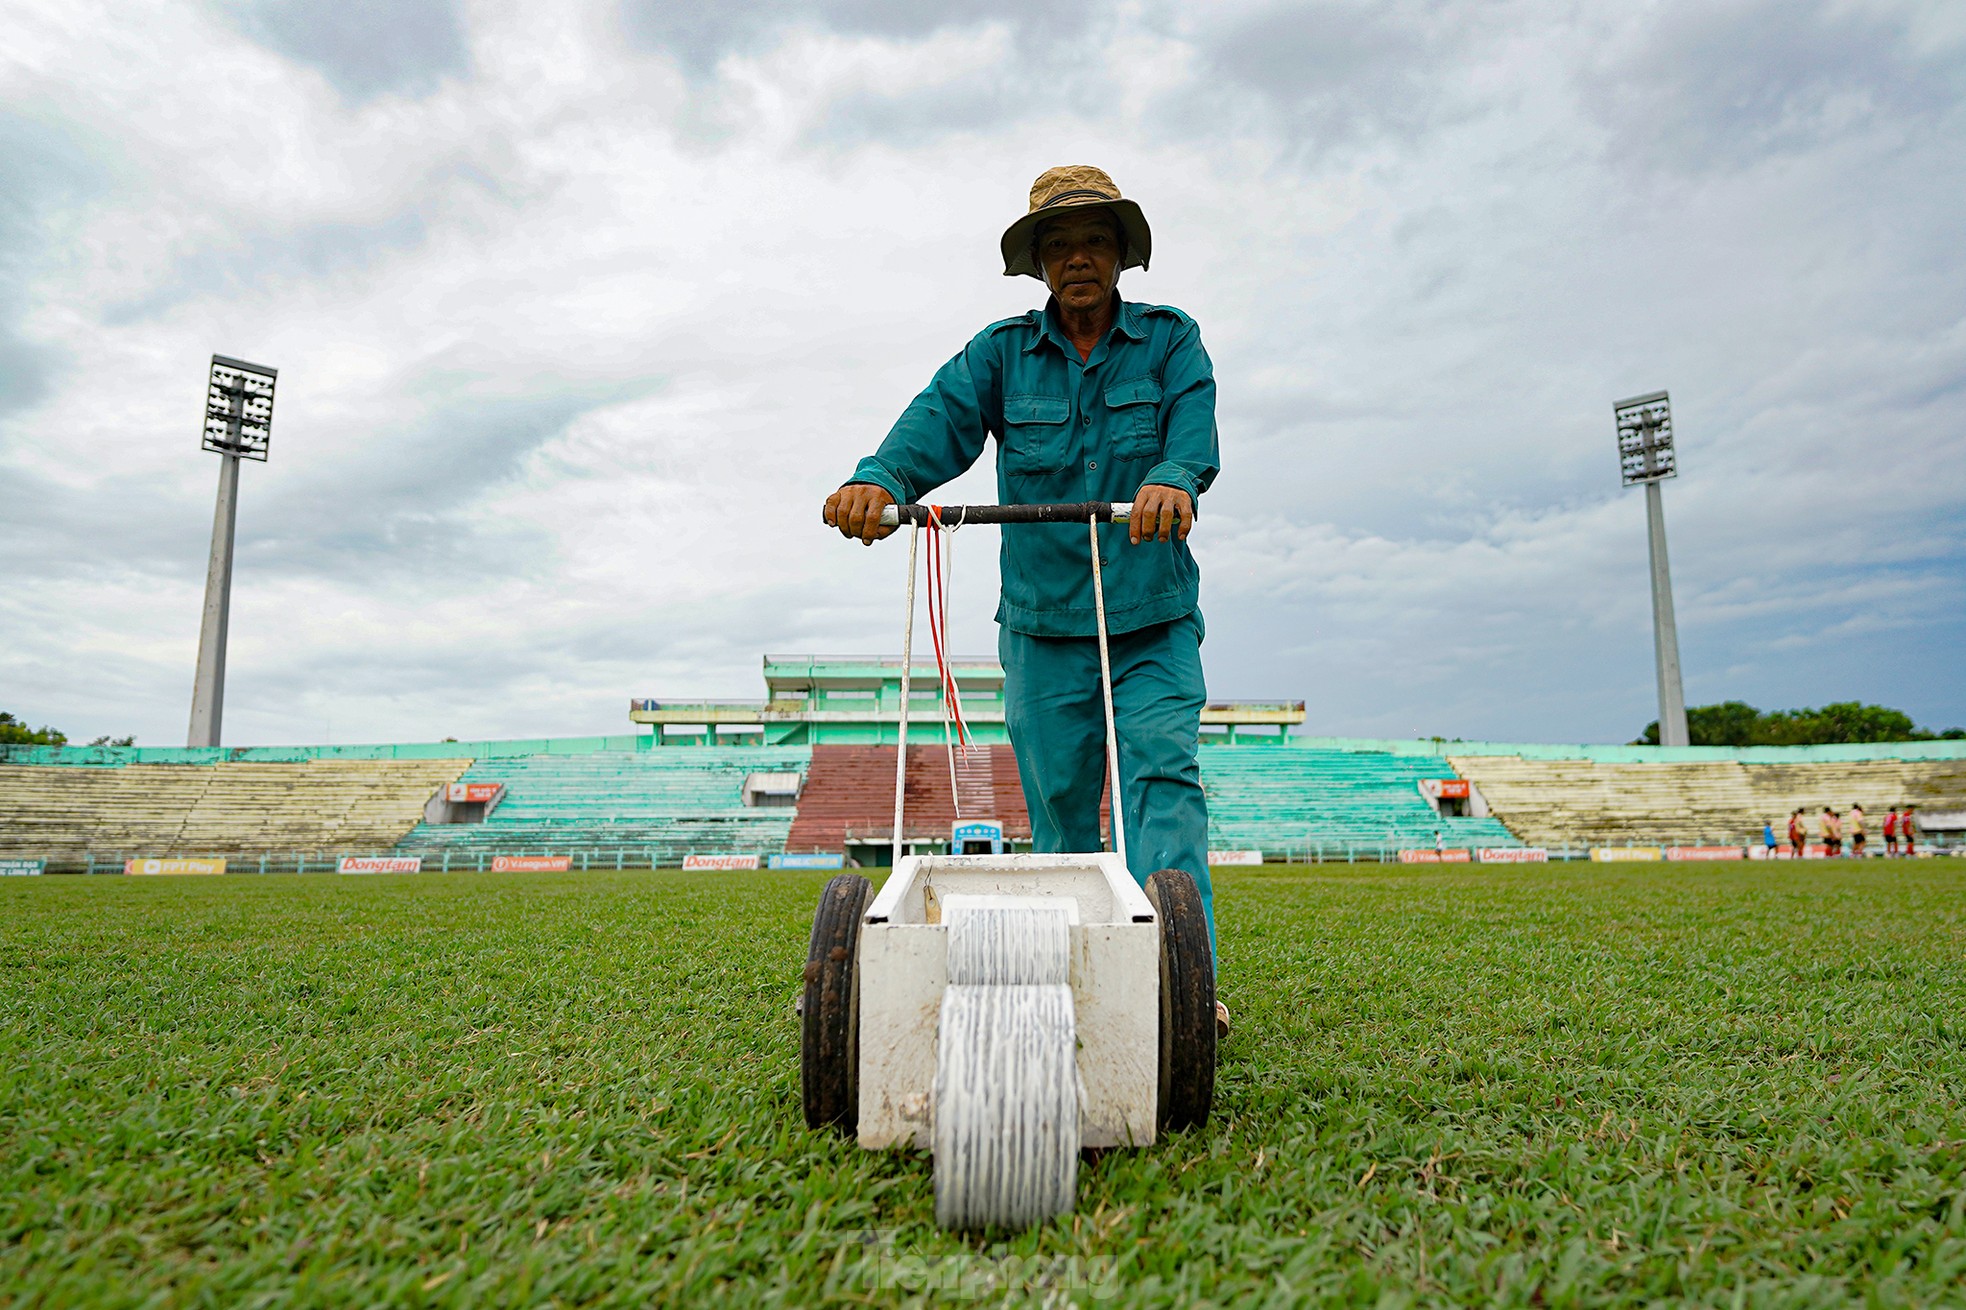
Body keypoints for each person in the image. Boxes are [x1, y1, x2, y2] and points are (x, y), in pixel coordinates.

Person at [823, 165, 1226, 1034]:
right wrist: (880, 479)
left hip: (1152, 616)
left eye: (1094, 241)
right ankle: (1084, 982)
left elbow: (1191, 434)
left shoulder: (1169, 340)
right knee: (1064, 815)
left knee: (1164, 781)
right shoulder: (1000, 354)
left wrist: (1173, 476)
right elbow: (939, 421)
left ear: (1122, 254)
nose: (1077, 257)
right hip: (1044, 629)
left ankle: (1182, 986)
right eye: (1058, 244)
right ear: (1037, 262)